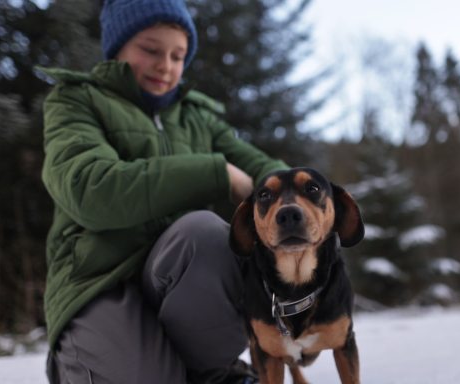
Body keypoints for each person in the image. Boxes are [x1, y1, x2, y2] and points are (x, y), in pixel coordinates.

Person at [39, 0, 288, 383]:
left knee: (205, 234)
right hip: (99, 281)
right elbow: (91, 191)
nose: (166, 66)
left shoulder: (197, 118)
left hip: (176, 278)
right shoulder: (77, 100)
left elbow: (266, 172)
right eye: (151, 50)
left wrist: (299, 201)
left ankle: (213, 371)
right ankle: (81, 360)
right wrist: (215, 172)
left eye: (178, 55)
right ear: (118, 46)